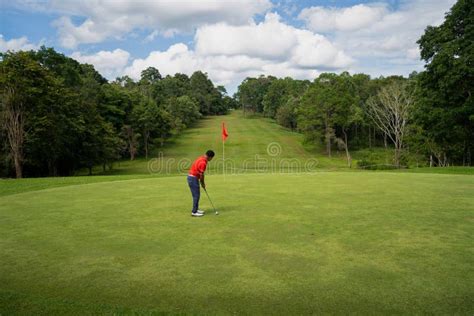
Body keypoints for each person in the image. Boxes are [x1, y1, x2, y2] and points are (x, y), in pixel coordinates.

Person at [187, 150, 215, 217]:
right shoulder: (203, 163)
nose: (211, 159)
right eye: (212, 158)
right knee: (196, 196)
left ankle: (196, 209)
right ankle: (194, 212)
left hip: (192, 178)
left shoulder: (201, 158)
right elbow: (202, 175)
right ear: (210, 157)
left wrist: (201, 182)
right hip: (193, 178)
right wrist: (203, 183)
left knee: (196, 195)